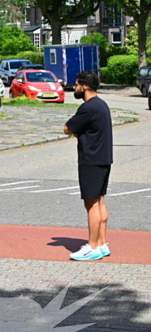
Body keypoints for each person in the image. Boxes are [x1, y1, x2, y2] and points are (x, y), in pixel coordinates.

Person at [64, 70, 113, 261]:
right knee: (100, 201)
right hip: (103, 159)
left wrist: (77, 133)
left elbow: (68, 127)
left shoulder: (88, 108)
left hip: (90, 160)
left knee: (91, 203)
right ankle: (101, 243)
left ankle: (92, 246)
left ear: (84, 86)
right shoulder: (102, 105)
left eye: (77, 84)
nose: (75, 88)